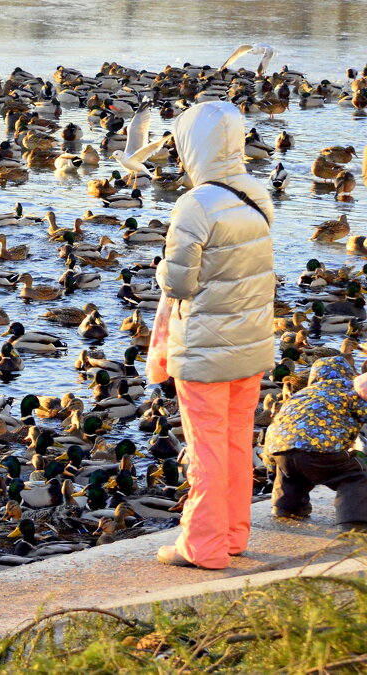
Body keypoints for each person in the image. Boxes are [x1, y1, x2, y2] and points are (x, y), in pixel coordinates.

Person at [155, 101, 276, 569]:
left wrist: (163, 268)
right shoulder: (257, 193)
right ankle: (233, 535)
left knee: (205, 447)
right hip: (252, 342)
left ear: (193, 147)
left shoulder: (195, 203)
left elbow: (180, 284)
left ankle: (202, 547)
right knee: (236, 442)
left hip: (204, 348)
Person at [264, 356, 367, 529]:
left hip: (280, 450)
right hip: (321, 451)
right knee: (355, 475)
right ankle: (354, 521)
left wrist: (271, 465)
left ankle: (286, 508)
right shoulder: (348, 389)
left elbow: (274, 429)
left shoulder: (299, 396)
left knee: (290, 475)